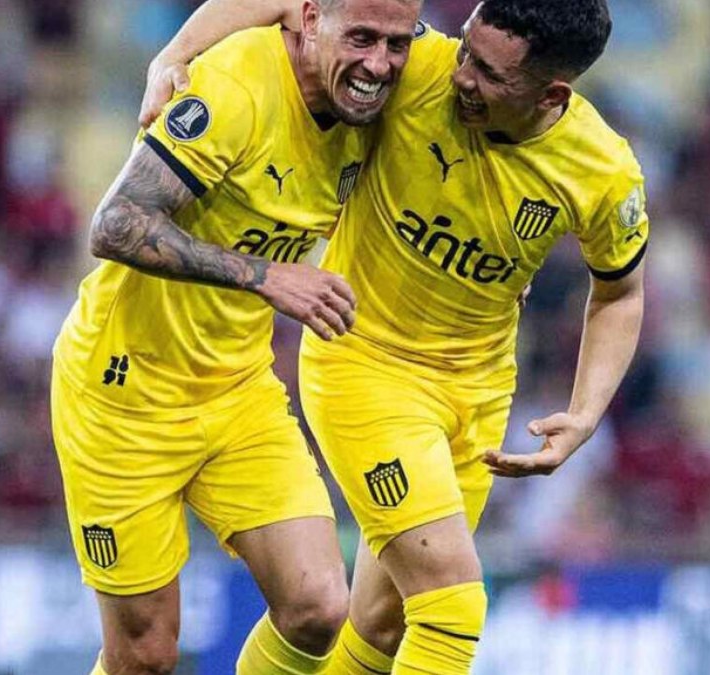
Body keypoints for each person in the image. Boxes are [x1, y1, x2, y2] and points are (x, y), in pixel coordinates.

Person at [143, 0, 648, 672]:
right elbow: (295, 6)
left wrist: (585, 413)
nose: (463, 76)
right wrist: (172, 55)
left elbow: (619, 291)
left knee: (381, 624)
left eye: (491, 75)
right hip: (363, 364)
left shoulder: (602, 172)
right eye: (467, 49)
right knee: (452, 605)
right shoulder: (414, 69)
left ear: (552, 92)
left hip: (477, 393)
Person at [51, 1, 421, 672]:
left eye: (398, 42)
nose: (379, 63)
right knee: (145, 654)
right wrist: (264, 276)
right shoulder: (236, 87)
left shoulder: (384, 91)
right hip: (122, 395)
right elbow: (114, 223)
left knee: (317, 608)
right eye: (362, 38)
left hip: (236, 390)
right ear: (309, 21)